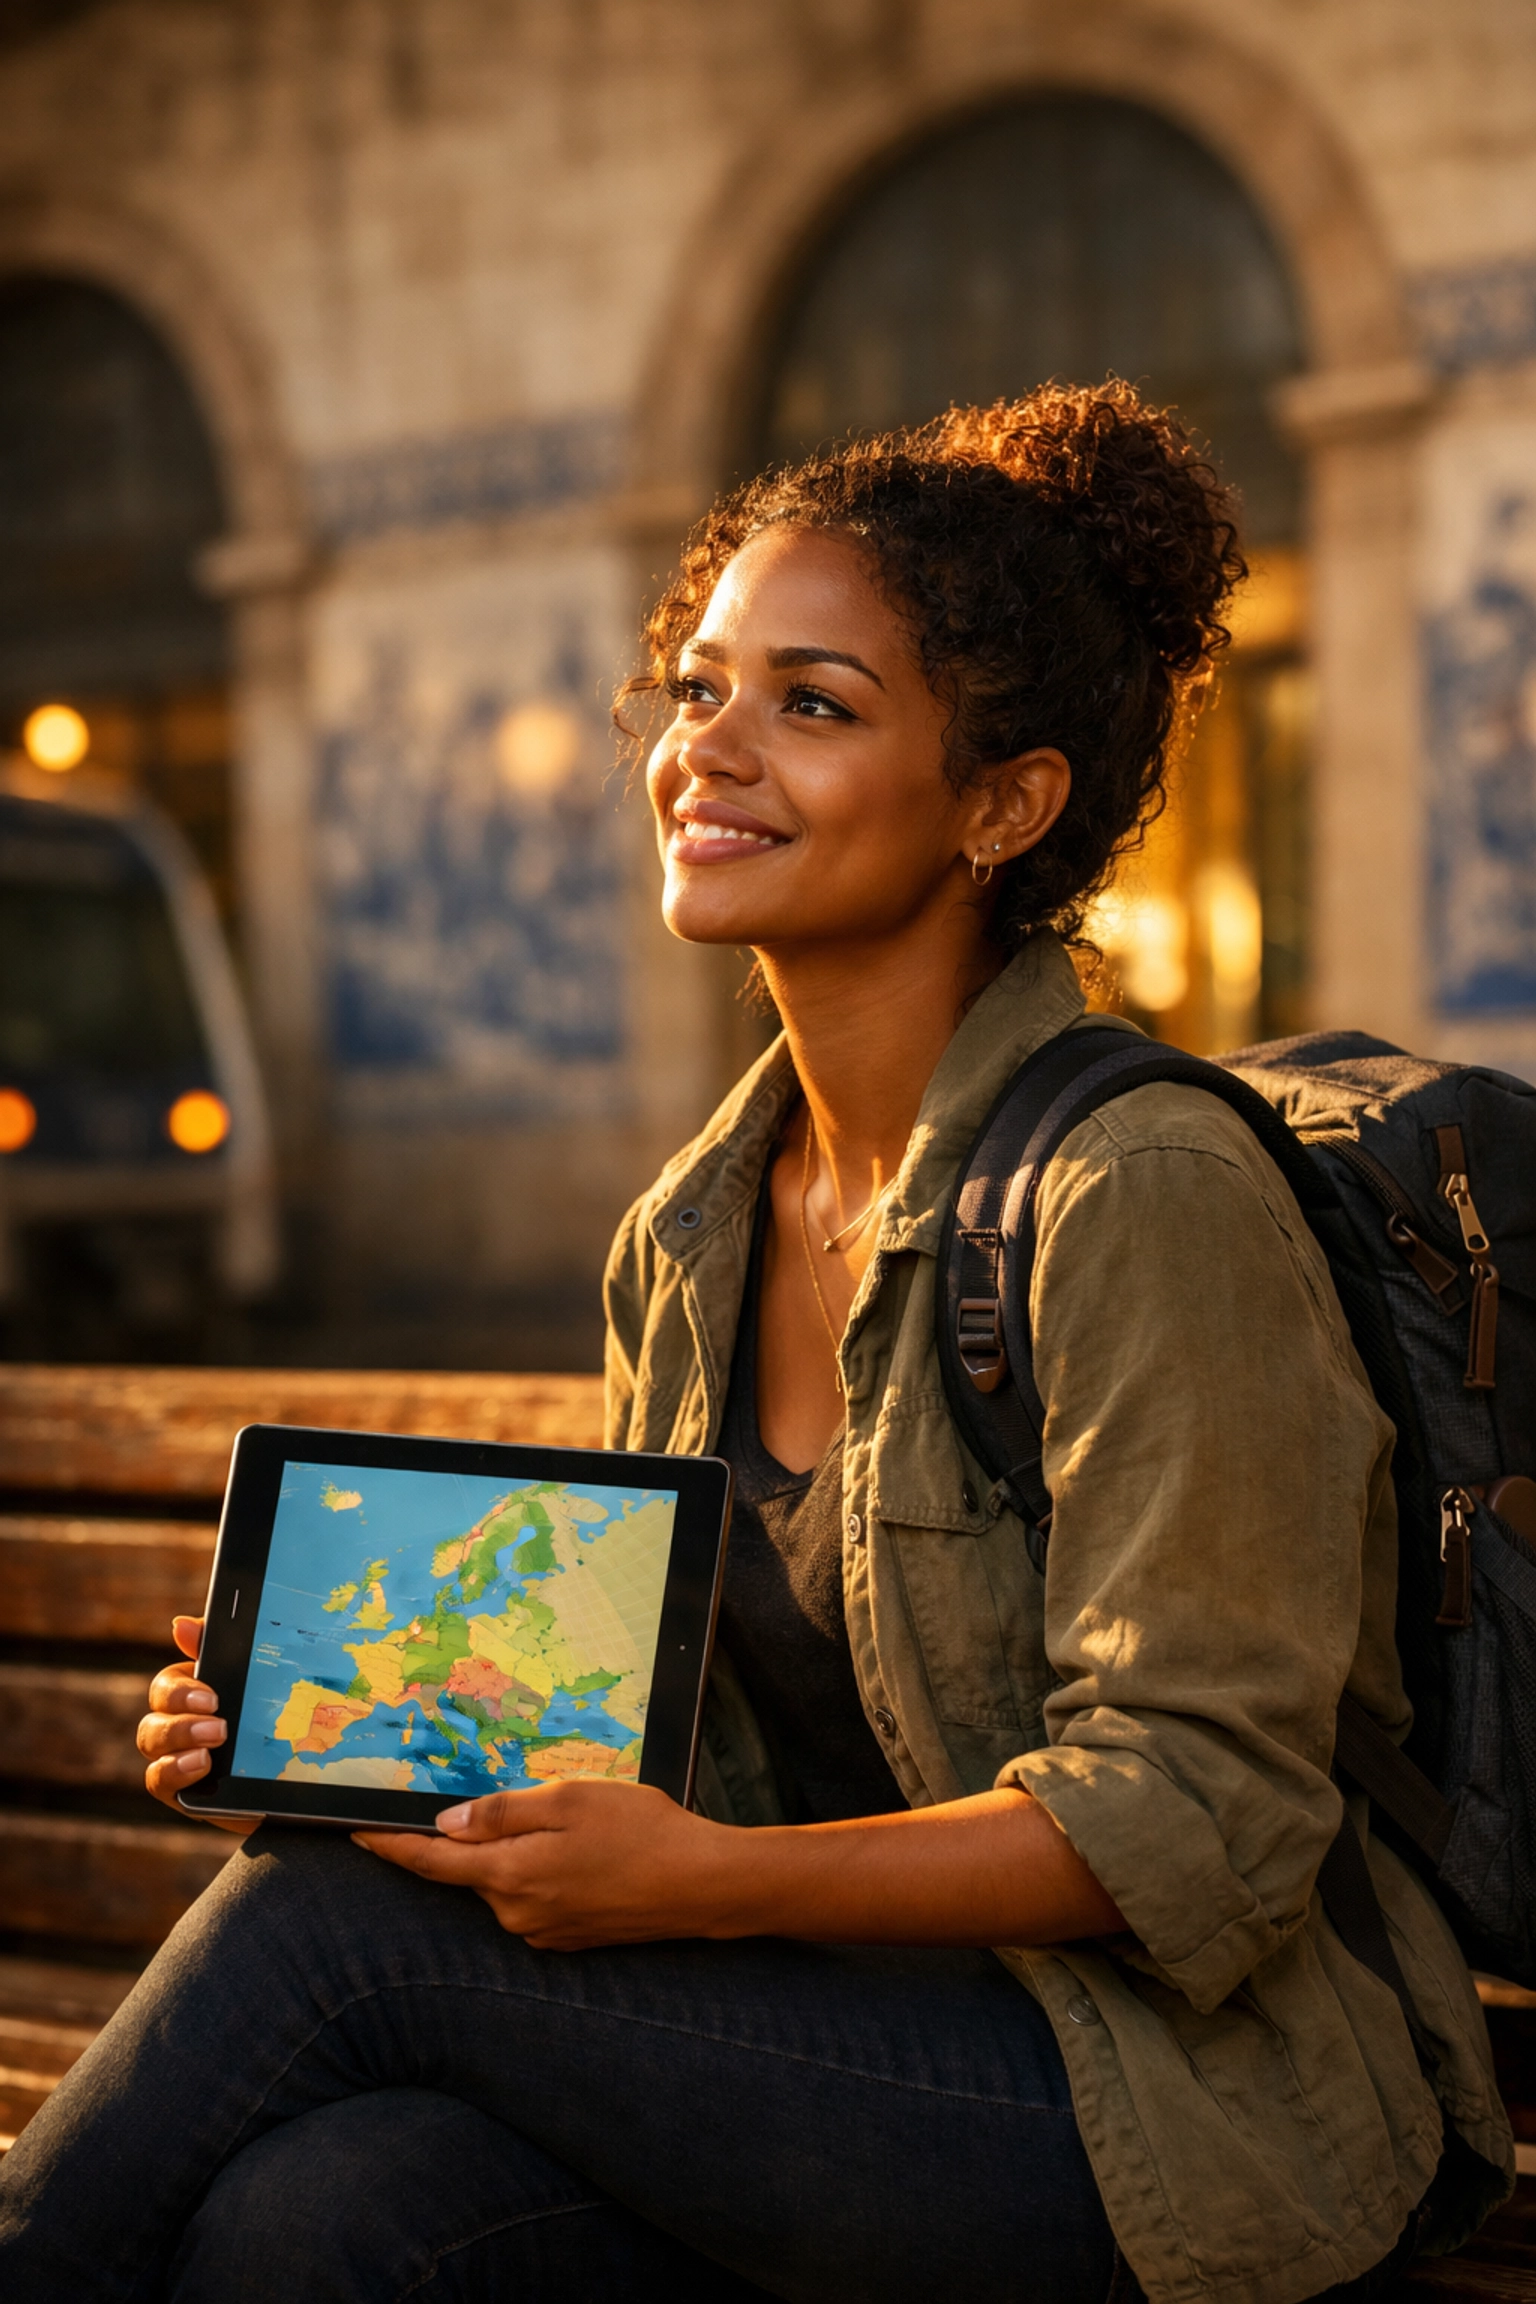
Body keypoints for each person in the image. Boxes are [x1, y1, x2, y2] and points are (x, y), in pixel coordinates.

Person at [0, 384, 1511, 2304]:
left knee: (329, 1943)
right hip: (825, 2049)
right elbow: (646, 1742)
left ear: (1004, 802)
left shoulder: (1138, 1190)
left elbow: (1200, 1814)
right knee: (318, 2219)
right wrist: (343, 1737)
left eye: (814, 703)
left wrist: (699, 1888)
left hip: (1172, 2120)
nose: (712, 751)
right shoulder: (692, 1231)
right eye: (702, 687)